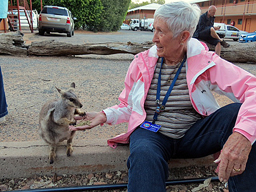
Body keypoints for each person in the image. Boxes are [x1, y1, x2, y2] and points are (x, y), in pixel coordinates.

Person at [70, 1, 256, 192]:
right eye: (154, 30)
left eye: (161, 31)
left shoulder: (206, 62)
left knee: (242, 119)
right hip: (151, 134)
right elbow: (128, 105)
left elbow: (253, 89)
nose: (154, 39)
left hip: (194, 135)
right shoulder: (141, 63)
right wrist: (105, 115)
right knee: (143, 154)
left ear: (183, 37)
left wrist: (242, 135)